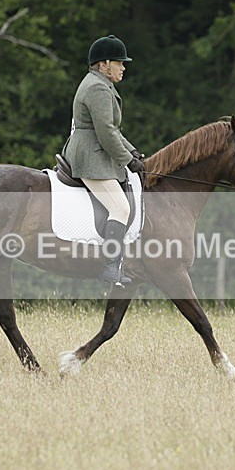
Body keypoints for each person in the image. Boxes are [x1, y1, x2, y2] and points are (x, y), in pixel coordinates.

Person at [63, 35, 145, 285]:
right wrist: (127, 160)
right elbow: (106, 133)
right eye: (119, 63)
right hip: (90, 156)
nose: (123, 68)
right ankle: (110, 267)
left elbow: (113, 130)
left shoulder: (101, 84)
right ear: (104, 64)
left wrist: (132, 151)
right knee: (120, 208)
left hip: (94, 150)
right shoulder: (97, 88)